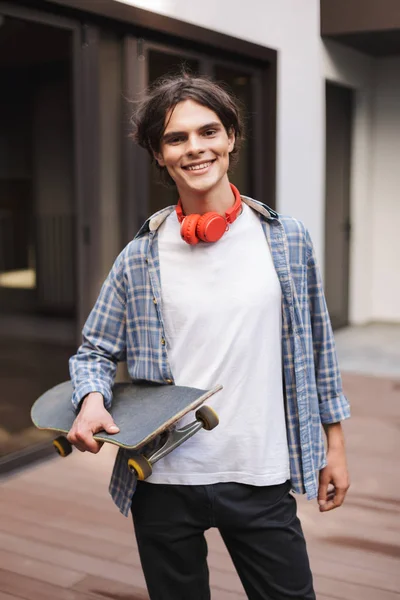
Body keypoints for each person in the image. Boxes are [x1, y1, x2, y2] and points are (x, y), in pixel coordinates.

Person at [68, 73, 350, 600]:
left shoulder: (286, 239)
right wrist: (89, 400)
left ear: (231, 139)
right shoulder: (140, 256)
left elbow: (318, 345)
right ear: (158, 153)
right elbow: (95, 349)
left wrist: (335, 445)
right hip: (162, 477)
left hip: (261, 472)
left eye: (209, 131)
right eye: (176, 138)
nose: (195, 148)